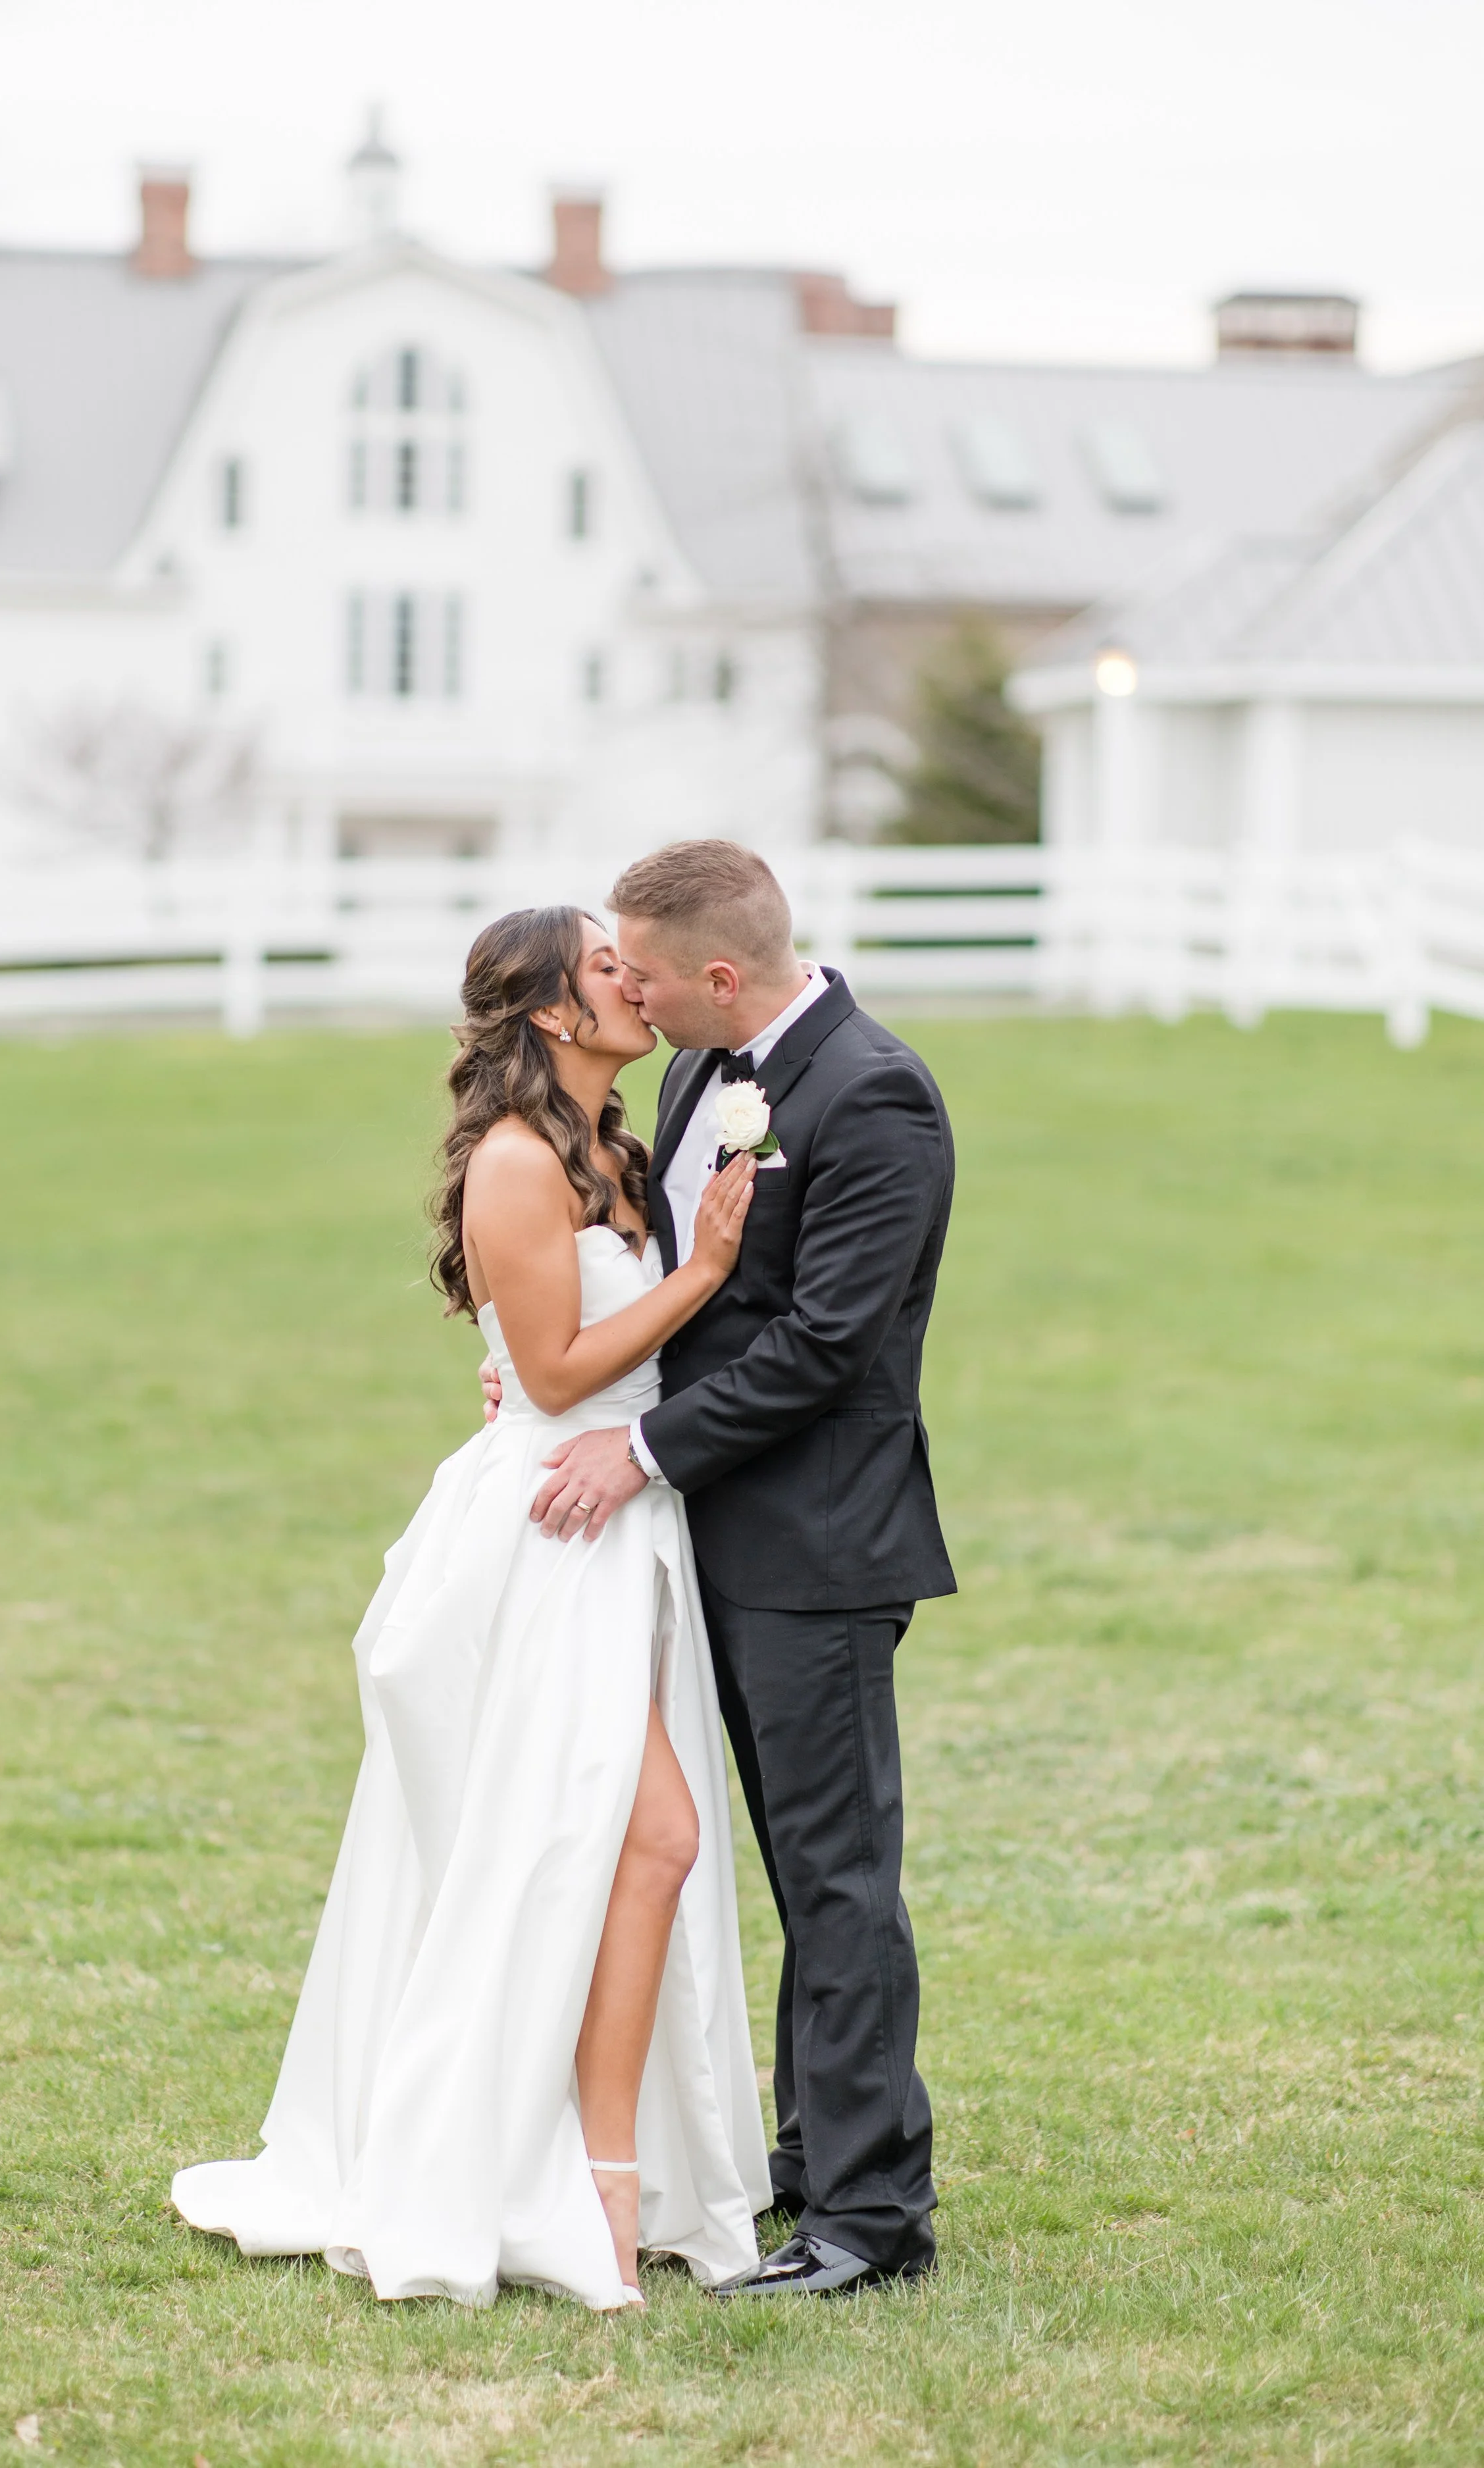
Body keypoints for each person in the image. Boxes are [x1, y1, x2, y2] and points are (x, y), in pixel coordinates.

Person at [172, 906, 771, 2309]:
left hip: (617, 1526)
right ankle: (589, 2185)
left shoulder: (616, 1145)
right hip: (542, 1540)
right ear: (555, 1015)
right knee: (638, 1840)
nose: (634, 978)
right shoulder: (514, 1161)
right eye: (606, 965)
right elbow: (555, 1374)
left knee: (602, 1854)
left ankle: (600, 2171)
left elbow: (552, 1361)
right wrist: (697, 1277)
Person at [521, 840, 956, 2297]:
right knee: (776, 1867)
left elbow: (826, 1344)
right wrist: (563, 1397)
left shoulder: (873, 1094)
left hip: (817, 1544)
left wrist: (635, 1453)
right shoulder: (704, 1073)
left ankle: (872, 2220)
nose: (621, 993)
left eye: (637, 970)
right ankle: (807, 2161)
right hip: (706, 1536)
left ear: (716, 975)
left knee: (835, 1880)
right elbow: (683, 1298)